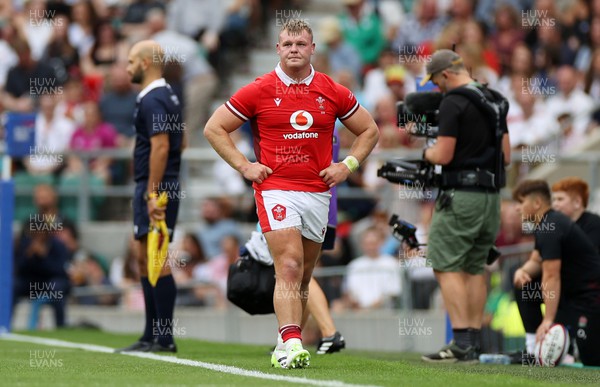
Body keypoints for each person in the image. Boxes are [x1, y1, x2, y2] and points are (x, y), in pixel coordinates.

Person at [204, 19, 379, 369]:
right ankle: (293, 342)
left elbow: (370, 130)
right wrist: (244, 166)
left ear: (313, 49)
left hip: (317, 193)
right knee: (288, 265)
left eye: (301, 44)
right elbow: (214, 127)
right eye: (287, 44)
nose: (294, 49)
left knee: (303, 275)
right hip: (275, 189)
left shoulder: (332, 89)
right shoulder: (259, 88)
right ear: (278, 49)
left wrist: (348, 165)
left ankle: (283, 342)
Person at [419, 49, 511, 362]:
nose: (436, 89)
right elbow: (507, 155)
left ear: (445, 75)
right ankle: (471, 341)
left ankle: (459, 340)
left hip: (461, 195)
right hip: (491, 197)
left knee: (445, 263)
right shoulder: (496, 99)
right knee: (474, 267)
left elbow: (443, 154)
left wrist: (427, 151)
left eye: (435, 81)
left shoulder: (453, 102)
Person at [115, 40, 184, 353]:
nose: (127, 68)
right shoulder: (166, 95)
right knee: (145, 258)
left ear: (144, 63)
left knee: (157, 257)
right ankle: (150, 335)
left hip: (156, 187)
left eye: (130, 62)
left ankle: (164, 338)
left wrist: (153, 191)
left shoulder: (154, 99)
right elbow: (178, 143)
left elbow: (161, 146)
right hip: (156, 183)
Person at [512, 180, 600, 366]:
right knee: (525, 285)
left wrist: (548, 320)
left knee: (592, 362)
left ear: (536, 204)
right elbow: (536, 260)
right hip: (569, 298)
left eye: (521, 203)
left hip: (589, 301)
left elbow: (551, 276)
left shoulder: (552, 226)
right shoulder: (545, 224)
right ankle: (533, 349)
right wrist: (522, 271)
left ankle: (563, 347)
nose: (517, 209)